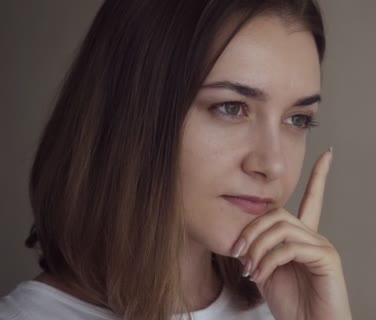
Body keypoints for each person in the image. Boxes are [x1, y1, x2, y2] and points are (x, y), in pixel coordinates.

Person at [0, 0, 352, 319]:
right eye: (231, 108)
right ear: (131, 113)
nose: (272, 164)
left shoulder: (285, 309)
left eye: (298, 119)